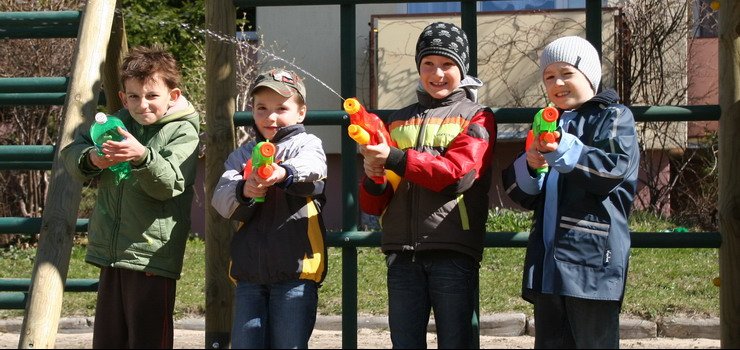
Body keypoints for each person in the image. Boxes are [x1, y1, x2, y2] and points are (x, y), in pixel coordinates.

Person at [358, 22, 497, 349]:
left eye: (447, 64)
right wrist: (374, 174)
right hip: (401, 255)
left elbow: (458, 176)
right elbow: (374, 203)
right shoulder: (397, 119)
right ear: (419, 68)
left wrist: (394, 158)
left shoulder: (477, 116)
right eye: (428, 64)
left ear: (461, 70)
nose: (437, 73)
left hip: (452, 249)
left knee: (456, 342)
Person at [502, 36, 640, 348]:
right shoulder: (546, 121)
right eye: (549, 77)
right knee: (551, 340)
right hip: (550, 262)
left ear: (590, 76)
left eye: (567, 73)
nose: (558, 83)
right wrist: (532, 163)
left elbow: (612, 169)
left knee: (594, 341)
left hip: (592, 260)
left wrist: (562, 147)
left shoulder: (614, 116)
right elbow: (524, 194)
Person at [61, 45, 200, 348]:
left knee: (148, 338)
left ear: (172, 96)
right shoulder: (118, 122)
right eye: (134, 96)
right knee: (110, 339)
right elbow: (71, 154)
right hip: (114, 253)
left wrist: (142, 158)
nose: (142, 105)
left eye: (152, 96)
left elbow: (169, 184)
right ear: (123, 97)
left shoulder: (184, 131)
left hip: (151, 255)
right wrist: (91, 158)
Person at [211, 68, 328, 349]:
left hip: (296, 273)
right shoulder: (241, 155)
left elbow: (314, 167)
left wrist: (283, 173)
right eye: (262, 108)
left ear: (301, 113)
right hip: (250, 275)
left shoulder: (307, 144)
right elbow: (221, 198)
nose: (271, 117)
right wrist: (244, 190)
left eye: (281, 108)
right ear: (252, 110)